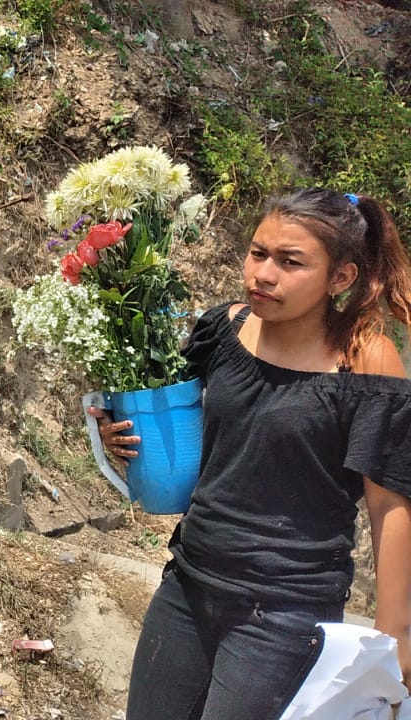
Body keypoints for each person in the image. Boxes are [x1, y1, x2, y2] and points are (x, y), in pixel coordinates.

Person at [90, 187, 411, 719]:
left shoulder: (365, 359)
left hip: (286, 614)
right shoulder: (225, 328)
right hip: (188, 583)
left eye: (290, 262)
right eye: (258, 253)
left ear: (341, 278)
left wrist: (395, 636)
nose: (263, 274)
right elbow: (177, 423)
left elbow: (390, 502)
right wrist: (120, 434)